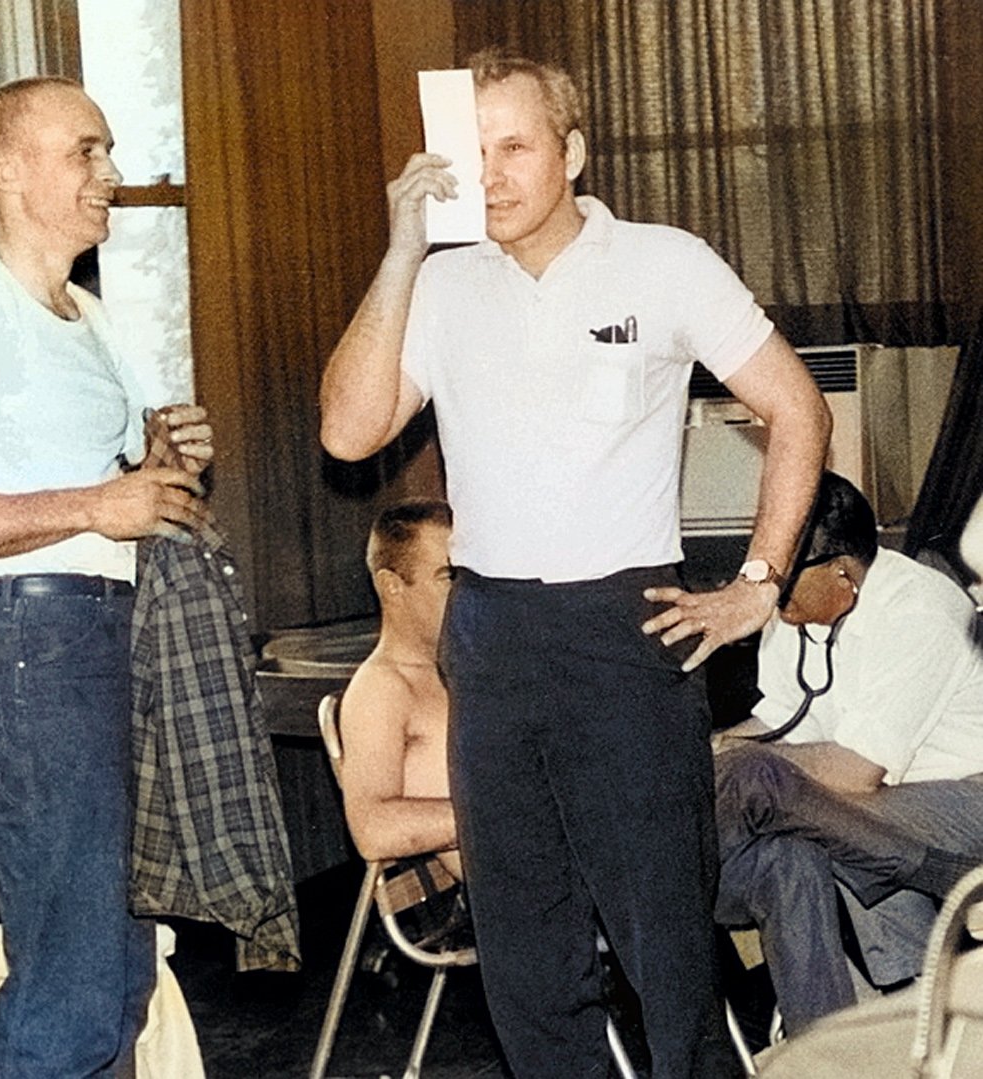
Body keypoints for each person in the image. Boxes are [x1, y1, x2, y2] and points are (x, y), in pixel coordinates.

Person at [319, 46, 832, 1077]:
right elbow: (347, 430)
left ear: (575, 153)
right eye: (474, 150)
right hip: (494, 635)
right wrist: (398, 254)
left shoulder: (665, 261)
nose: (494, 173)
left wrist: (758, 586)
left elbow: (798, 408)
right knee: (527, 957)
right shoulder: (443, 285)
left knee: (667, 950)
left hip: (624, 632)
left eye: (516, 146)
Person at [0, 76, 212, 1077]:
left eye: (107, 152)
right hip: (33, 658)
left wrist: (160, 462)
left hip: (112, 646)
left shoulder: (89, 319)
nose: (110, 174)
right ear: (4, 170)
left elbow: (115, 496)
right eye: (86, 151)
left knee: (118, 980)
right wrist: (95, 504)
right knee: (66, 989)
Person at [712, 471, 983, 1035]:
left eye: (782, 581)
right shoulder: (797, 611)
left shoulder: (920, 609)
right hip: (880, 818)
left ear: (842, 572)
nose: (768, 591)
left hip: (966, 805)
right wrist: (720, 746)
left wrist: (736, 767)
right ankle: (834, 1041)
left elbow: (857, 773)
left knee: (759, 779)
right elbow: (783, 718)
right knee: (787, 849)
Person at [339, 499, 460, 881]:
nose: (465, 593)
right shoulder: (384, 688)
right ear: (392, 586)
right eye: (448, 577)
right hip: (532, 891)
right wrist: (506, 811)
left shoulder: (466, 666)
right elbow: (373, 830)